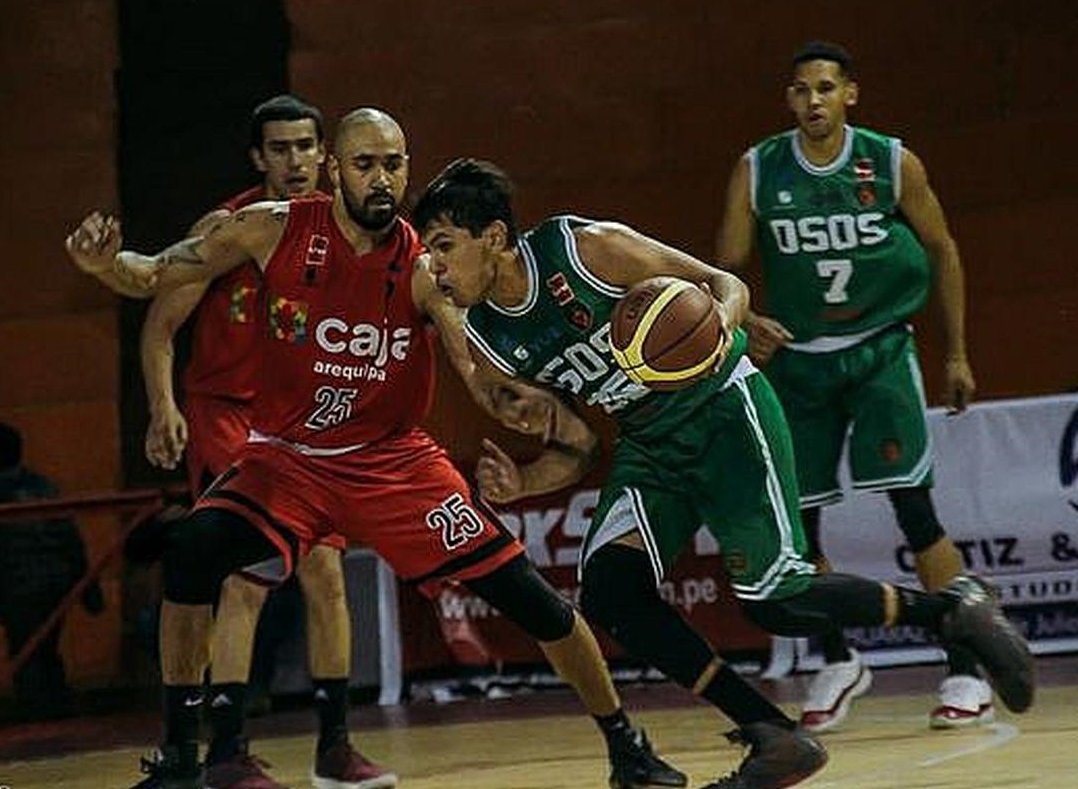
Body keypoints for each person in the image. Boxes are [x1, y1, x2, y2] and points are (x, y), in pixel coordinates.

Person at [65, 107, 685, 789]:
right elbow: (154, 273)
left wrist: (536, 411)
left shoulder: (424, 267)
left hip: (392, 465)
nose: (382, 178)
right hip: (287, 460)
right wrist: (104, 265)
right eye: (366, 164)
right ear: (334, 169)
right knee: (191, 552)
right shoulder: (270, 228)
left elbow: (478, 373)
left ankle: (627, 746)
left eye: (394, 163)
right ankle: (183, 758)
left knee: (533, 600)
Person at [411, 157, 1034, 789]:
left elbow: (720, 284)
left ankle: (953, 612)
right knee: (609, 592)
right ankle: (775, 736)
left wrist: (714, 332)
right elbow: (576, 448)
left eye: (442, 247)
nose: (433, 267)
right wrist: (524, 484)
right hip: (649, 443)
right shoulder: (489, 338)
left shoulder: (582, 249)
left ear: (492, 236)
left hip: (724, 409)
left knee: (777, 602)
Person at [714, 40, 988, 732]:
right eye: (802, 90)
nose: (814, 101)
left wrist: (955, 353)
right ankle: (837, 658)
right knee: (798, 526)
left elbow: (942, 247)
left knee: (913, 508)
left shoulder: (891, 161)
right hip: (802, 361)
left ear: (850, 94)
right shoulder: (756, 169)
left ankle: (967, 663)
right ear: (789, 100)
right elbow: (725, 270)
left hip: (879, 350)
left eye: (826, 88)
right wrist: (754, 319)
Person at [132, 94, 390, 789]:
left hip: (299, 423)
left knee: (327, 575)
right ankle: (224, 750)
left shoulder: (342, 230)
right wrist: (163, 407)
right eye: (280, 149)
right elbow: (159, 325)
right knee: (244, 579)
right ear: (258, 158)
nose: (296, 160)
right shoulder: (231, 228)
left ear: (325, 156)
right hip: (225, 415)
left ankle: (334, 744)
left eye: (307, 146)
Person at [0, 422, 104, 721]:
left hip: (16, 584)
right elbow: (71, 539)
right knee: (45, 649)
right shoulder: (42, 486)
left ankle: (37, 718)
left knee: (27, 653)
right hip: (55, 582)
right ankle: (59, 711)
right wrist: (89, 590)